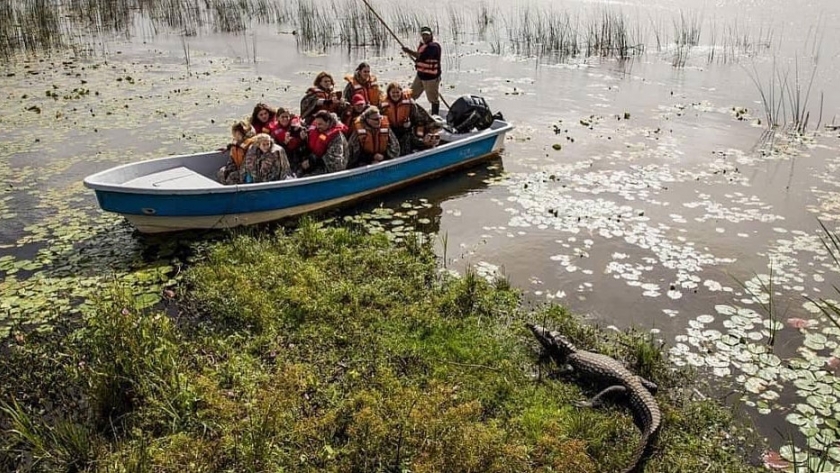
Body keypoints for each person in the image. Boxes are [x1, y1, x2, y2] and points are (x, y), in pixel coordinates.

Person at [380, 82, 435, 156]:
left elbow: (419, 118)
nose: (395, 94)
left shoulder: (409, 103)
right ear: (388, 93)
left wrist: (410, 125)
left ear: (401, 92)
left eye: (397, 92)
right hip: (391, 131)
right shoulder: (383, 105)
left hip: (406, 130)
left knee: (411, 145)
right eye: (393, 92)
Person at [401, 26, 442, 116]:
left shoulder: (434, 46)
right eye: (423, 35)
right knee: (411, 95)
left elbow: (421, 56)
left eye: (427, 35)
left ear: (431, 35)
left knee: (433, 99)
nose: (425, 37)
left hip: (431, 78)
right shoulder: (422, 46)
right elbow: (420, 59)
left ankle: (435, 116)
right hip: (420, 76)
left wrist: (408, 51)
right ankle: (409, 114)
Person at [301, 110, 348, 176]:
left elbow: (336, 164)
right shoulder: (318, 130)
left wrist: (314, 161)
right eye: (316, 124)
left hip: (334, 167)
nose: (317, 126)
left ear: (328, 122)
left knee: (306, 176)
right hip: (317, 161)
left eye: (320, 124)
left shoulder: (336, 136)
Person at [217, 120, 257, 185]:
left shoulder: (251, 146)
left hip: (249, 171)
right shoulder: (236, 142)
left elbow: (249, 163)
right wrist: (228, 169)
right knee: (221, 172)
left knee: (232, 177)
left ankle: (234, 192)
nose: (233, 135)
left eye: (235, 133)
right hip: (238, 167)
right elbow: (232, 158)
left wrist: (239, 172)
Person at [270, 107, 308, 176]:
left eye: (287, 117)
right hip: (285, 155)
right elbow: (274, 148)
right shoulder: (274, 132)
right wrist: (285, 143)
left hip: (299, 153)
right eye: (282, 117)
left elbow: (305, 141)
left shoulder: (296, 127)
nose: (285, 119)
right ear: (278, 118)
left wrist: (304, 138)